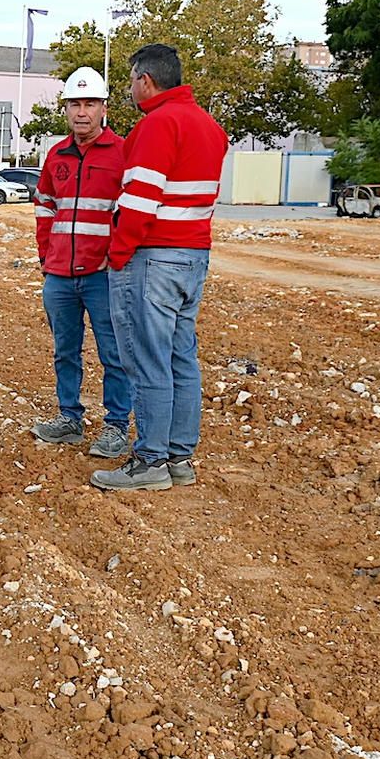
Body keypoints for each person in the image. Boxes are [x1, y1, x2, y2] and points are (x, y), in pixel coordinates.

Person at [92, 44, 228, 492]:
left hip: (152, 258)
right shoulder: (209, 126)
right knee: (180, 356)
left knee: (146, 358)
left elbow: (139, 201)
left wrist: (118, 251)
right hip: (193, 255)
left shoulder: (158, 124)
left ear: (145, 80)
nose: (130, 89)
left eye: (131, 81)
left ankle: (149, 461)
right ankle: (178, 457)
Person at [30, 66, 134, 459]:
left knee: (114, 352)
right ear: (66, 109)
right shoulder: (56, 155)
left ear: (103, 108)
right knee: (65, 350)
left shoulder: (123, 153)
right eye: (75, 103)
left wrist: (117, 260)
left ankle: (116, 425)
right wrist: (46, 256)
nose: (82, 112)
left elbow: (131, 210)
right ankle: (69, 419)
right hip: (59, 275)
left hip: (103, 276)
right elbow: (44, 207)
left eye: (90, 103)